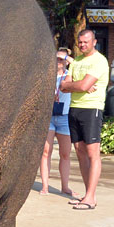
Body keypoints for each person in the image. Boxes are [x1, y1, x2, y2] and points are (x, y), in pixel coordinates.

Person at [60, 30, 109, 210]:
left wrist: (75, 86)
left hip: (92, 109)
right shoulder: (77, 61)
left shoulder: (99, 61)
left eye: (86, 42)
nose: (82, 45)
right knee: (80, 152)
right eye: (80, 42)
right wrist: (78, 86)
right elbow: (62, 86)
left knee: (92, 153)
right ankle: (88, 195)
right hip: (74, 109)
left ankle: (90, 197)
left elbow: (80, 85)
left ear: (94, 42)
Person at [39, 48, 74, 197]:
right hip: (49, 116)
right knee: (45, 152)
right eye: (56, 59)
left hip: (65, 117)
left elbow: (77, 64)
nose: (58, 62)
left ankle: (65, 186)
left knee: (65, 154)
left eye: (61, 60)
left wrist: (66, 56)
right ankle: (45, 186)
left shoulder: (71, 75)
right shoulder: (48, 75)